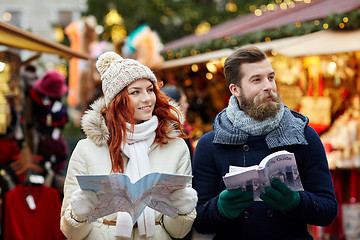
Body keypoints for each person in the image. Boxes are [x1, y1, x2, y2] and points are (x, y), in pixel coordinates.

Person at [192, 45, 338, 239]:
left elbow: (328, 211)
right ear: (235, 90)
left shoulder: (304, 136)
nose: (268, 86)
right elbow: (198, 221)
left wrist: (295, 202)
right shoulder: (210, 144)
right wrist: (220, 208)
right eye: (257, 80)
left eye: (270, 77)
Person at [60, 51, 197, 240]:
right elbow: (71, 233)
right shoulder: (87, 149)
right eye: (135, 92)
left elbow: (178, 232)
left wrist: (183, 210)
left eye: (150, 89)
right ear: (117, 100)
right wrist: (78, 214)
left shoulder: (175, 146)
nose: (147, 98)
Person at [161, 86, 194, 161]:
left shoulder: (182, 128)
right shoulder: (178, 133)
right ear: (176, 105)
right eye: (184, 101)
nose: (187, 105)